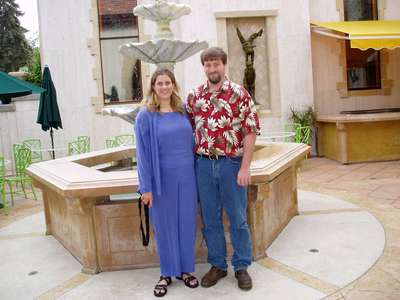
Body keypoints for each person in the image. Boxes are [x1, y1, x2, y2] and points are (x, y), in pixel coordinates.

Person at [186, 47, 260, 291]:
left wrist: (245, 167)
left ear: (224, 65)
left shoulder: (240, 94)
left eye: (216, 64)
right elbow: (185, 131)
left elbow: (250, 131)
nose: (212, 69)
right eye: (207, 65)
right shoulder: (194, 97)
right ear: (204, 68)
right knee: (210, 219)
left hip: (231, 164)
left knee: (238, 219)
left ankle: (241, 266)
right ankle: (218, 264)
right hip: (204, 166)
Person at [135, 69, 199, 297]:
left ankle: (185, 270)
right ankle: (166, 273)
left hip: (188, 178)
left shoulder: (183, 111)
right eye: (159, 83)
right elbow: (141, 154)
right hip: (161, 181)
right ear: (153, 87)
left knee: (187, 224)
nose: (164, 87)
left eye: (168, 82)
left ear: (174, 85)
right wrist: (146, 188)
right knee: (164, 227)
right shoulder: (145, 115)